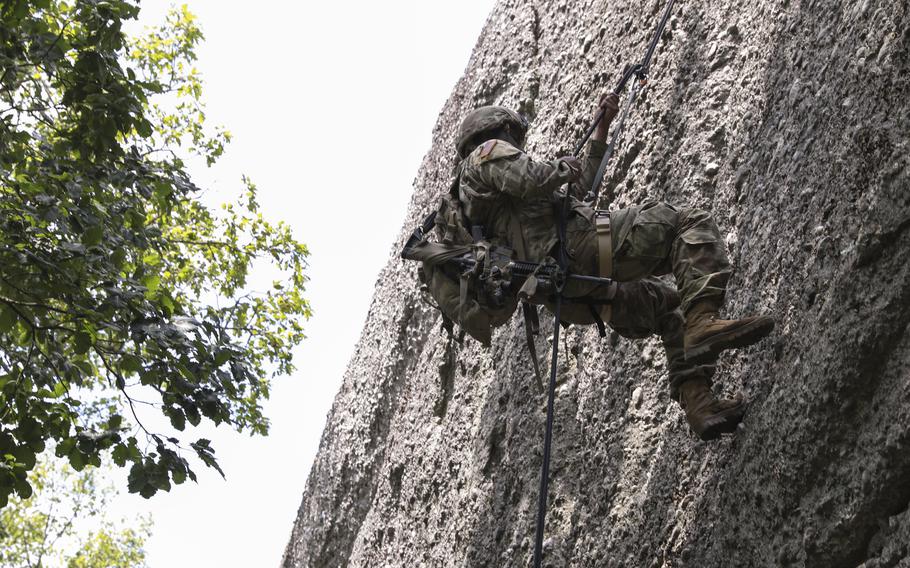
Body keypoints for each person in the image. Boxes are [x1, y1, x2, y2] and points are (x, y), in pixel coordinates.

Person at [451, 96, 774, 440]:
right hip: (582, 251)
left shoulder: (487, 201)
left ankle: (700, 406)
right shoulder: (484, 156)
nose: (515, 145)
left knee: (669, 309)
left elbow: (575, 193)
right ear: (500, 131)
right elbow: (533, 177)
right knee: (686, 223)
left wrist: (600, 128)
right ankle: (704, 322)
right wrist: (560, 167)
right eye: (512, 137)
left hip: (574, 293)